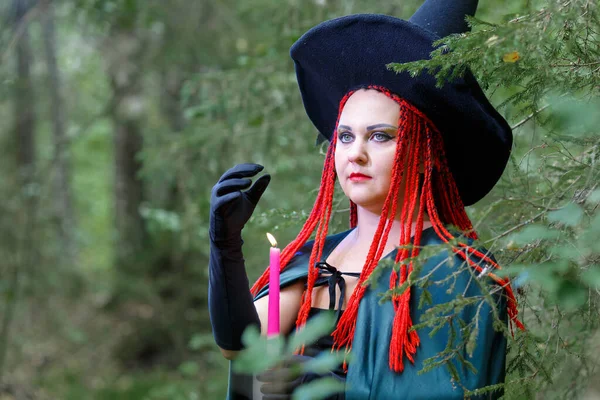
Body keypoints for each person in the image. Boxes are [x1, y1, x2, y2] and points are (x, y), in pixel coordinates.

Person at [208, 1, 525, 399]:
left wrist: (316, 380)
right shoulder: (316, 257)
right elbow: (239, 349)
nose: (355, 153)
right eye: (345, 136)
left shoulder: (452, 274)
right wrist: (225, 247)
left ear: (425, 152)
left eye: (380, 136)